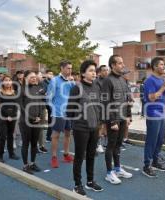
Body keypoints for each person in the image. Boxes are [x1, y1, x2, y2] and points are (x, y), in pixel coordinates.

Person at [67, 60, 103, 196]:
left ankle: (90, 181)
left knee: (91, 155)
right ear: (83, 73)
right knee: (80, 156)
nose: (94, 73)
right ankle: (77, 184)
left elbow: (99, 106)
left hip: (94, 127)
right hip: (81, 128)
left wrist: (99, 123)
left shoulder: (97, 86)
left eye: (94, 70)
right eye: (90, 70)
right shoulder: (76, 88)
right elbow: (70, 110)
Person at [101, 55, 132, 185]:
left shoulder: (123, 80)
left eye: (122, 63)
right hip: (113, 119)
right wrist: (112, 121)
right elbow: (105, 102)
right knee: (111, 145)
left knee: (118, 145)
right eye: (119, 63)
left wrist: (128, 116)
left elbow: (127, 100)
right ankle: (109, 173)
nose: (122, 65)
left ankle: (117, 169)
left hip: (123, 117)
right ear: (113, 65)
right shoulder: (107, 81)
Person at [142, 57, 165, 177]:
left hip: (163, 113)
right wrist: (163, 86)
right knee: (151, 140)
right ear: (154, 67)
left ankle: (155, 160)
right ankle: (146, 165)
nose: (164, 67)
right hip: (153, 114)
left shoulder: (162, 79)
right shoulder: (150, 80)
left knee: (160, 139)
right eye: (161, 65)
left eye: (164, 64)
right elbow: (151, 98)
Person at [47, 61, 75, 168]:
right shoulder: (54, 81)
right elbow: (48, 98)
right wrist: (54, 110)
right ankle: (54, 157)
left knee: (68, 134)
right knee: (56, 136)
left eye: (71, 68)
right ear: (62, 68)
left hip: (69, 113)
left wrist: (73, 82)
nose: (70, 70)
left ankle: (66, 154)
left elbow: (74, 95)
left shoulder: (71, 81)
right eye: (68, 68)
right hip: (58, 113)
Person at [19, 71, 45, 174]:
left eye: (35, 77)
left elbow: (40, 104)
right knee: (26, 143)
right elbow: (21, 107)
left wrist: (39, 116)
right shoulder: (21, 90)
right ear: (25, 78)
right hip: (25, 121)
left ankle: (32, 163)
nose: (34, 79)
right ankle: (25, 165)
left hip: (36, 121)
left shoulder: (37, 88)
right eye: (31, 77)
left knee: (34, 143)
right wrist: (31, 118)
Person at [0, 75, 20, 163]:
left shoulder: (14, 92)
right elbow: (0, 105)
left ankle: (11, 153)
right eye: (6, 80)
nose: (8, 82)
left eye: (9, 80)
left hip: (12, 117)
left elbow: (16, 105)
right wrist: (7, 116)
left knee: (11, 136)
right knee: (2, 136)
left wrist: (12, 115)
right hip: (2, 117)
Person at [94, 65, 109, 153]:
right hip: (99, 107)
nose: (106, 72)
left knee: (107, 126)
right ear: (99, 72)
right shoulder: (96, 82)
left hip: (109, 107)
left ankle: (105, 144)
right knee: (100, 127)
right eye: (104, 70)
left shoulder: (110, 80)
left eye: (107, 70)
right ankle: (98, 144)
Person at [36, 72, 48, 154]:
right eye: (39, 75)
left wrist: (41, 93)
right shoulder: (31, 85)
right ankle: (35, 146)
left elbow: (46, 94)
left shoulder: (44, 84)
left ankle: (41, 145)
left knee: (41, 128)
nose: (41, 77)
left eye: (41, 75)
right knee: (34, 128)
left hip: (42, 107)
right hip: (33, 108)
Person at [122, 68, 134, 146]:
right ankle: (120, 140)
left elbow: (130, 94)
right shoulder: (120, 83)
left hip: (128, 106)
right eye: (126, 73)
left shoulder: (128, 83)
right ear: (122, 75)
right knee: (123, 123)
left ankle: (125, 139)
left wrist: (132, 100)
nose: (128, 75)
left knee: (127, 123)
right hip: (122, 106)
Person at [42, 70, 54, 142]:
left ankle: (49, 135)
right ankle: (48, 136)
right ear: (46, 74)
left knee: (51, 120)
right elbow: (43, 92)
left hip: (52, 103)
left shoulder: (53, 82)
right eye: (49, 74)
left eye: (52, 74)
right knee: (49, 120)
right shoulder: (43, 83)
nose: (51, 75)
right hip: (45, 103)